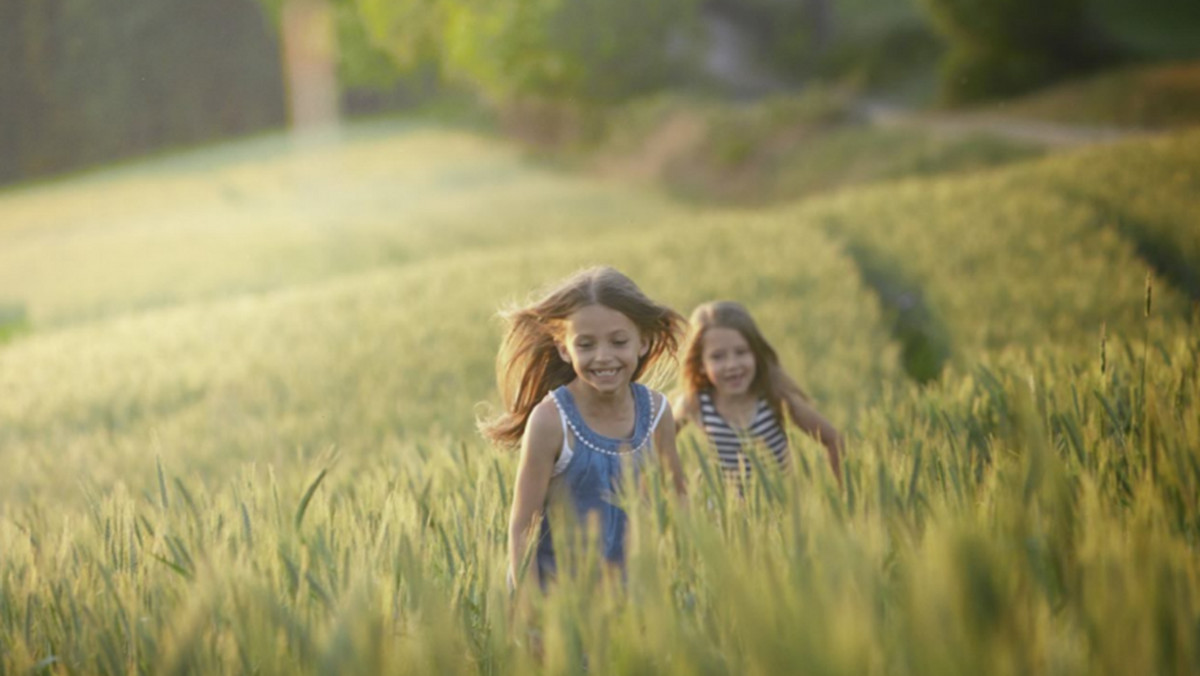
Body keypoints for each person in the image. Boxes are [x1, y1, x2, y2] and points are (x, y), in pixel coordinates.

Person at [480, 266, 688, 593]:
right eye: (586, 345)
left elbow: (678, 499)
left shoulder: (658, 413)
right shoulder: (550, 421)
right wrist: (531, 610)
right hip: (560, 610)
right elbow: (523, 524)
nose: (603, 357)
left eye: (619, 341)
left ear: (643, 341)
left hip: (634, 606)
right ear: (564, 349)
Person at [674, 300, 843, 485]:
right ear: (700, 365)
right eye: (717, 357)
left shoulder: (775, 396)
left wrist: (844, 494)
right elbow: (653, 445)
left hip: (778, 507)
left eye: (741, 352)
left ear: (756, 354)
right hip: (722, 509)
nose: (732, 365)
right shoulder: (695, 401)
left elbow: (833, 439)